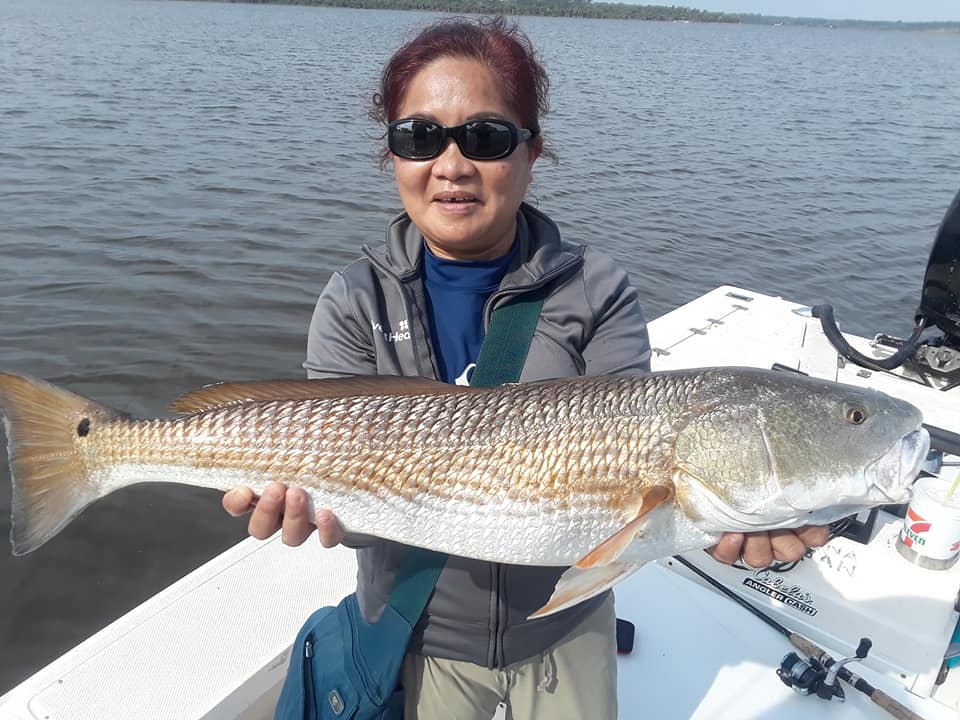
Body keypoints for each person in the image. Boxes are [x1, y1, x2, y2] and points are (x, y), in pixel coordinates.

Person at [223, 15, 829, 719]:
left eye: (485, 137)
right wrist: (316, 512)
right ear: (392, 155)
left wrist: (749, 523)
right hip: (416, 631)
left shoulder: (596, 291)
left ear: (532, 150)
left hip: (564, 626)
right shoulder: (354, 300)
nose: (452, 165)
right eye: (419, 137)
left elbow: (640, 484)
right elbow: (355, 507)